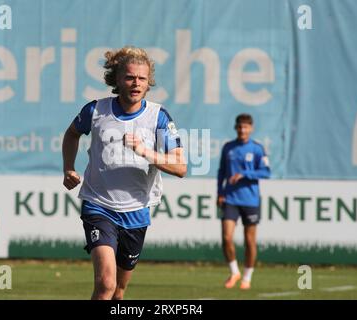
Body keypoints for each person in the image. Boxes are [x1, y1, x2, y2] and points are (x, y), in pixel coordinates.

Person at [62, 46, 187, 300]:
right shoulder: (96, 110)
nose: (136, 83)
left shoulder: (158, 117)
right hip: (99, 207)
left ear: (148, 83)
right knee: (106, 284)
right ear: (117, 79)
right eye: (130, 77)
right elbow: (72, 134)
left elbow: (180, 166)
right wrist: (68, 168)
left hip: (136, 213)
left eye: (142, 78)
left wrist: (146, 152)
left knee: (118, 291)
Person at [216, 114, 270, 290]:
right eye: (240, 127)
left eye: (246, 127)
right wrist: (220, 192)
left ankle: (247, 276)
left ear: (251, 128)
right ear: (236, 128)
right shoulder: (228, 148)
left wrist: (245, 174)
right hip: (230, 198)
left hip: (250, 200)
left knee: (249, 241)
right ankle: (234, 272)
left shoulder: (257, 149)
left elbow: (266, 172)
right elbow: (222, 171)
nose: (242, 130)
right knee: (226, 237)